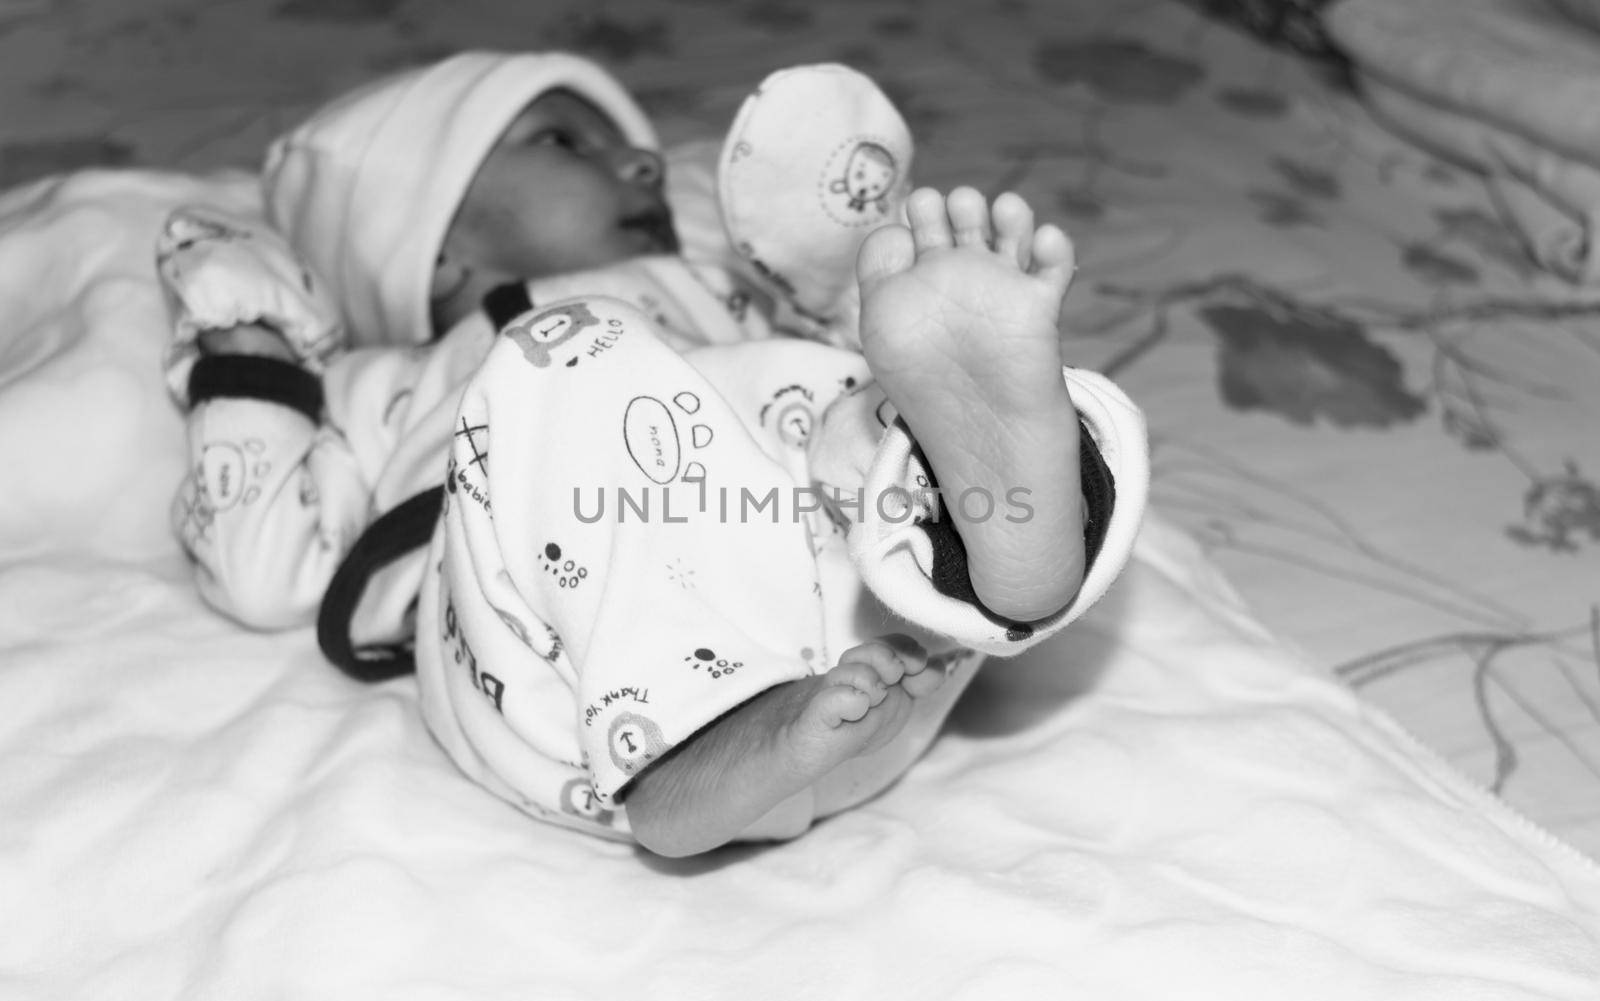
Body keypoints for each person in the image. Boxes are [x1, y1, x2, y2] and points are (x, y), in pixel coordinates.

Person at [159, 52, 1148, 857]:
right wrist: (241, 344)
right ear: (434, 250)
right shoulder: (392, 386)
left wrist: (843, 303)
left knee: (860, 406)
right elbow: (262, 565)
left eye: (635, 147)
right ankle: (704, 732)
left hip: (861, 659)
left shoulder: (727, 302)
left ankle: (998, 557)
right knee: (571, 350)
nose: (639, 163)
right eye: (562, 142)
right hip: (567, 682)